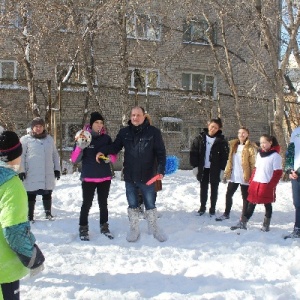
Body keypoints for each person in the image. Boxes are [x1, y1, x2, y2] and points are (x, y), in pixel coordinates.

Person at [97, 106, 167, 242]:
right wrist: (102, 151)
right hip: (130, 176)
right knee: (133, 204)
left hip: (149, 177)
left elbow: (161, 153)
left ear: (144, 116)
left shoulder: (154, 132)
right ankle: (134, 229)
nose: (135, 117)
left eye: (138, 115)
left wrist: (160, 170)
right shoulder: (124, 133)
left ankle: (154, 228)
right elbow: (114, 147)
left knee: (150, 204)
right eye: (133, 115)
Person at [0, 127, 45, 300]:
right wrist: (33, 258)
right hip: (4, 270)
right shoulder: (11, 186)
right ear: (14, 157)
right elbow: (14, 231)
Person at [71, 112, 117, 241]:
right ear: (91, 124)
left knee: (103, 203)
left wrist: (108, 158)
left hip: (104, 177)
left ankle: (104, 226)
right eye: (97, 122)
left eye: (101, 122)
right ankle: (83, 228)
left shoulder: (106, 138)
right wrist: (80, 147)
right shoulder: (83, 136)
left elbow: (113, 155)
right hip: (89, 178)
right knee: (86, 203)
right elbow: (74, 159)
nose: (99, 125)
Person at [230, 134, 282, 231]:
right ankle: (243, 222)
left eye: (265, 143)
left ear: (270, 143)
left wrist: (271, 185)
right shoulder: (259, 154)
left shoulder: (275, 156)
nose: (262, 145)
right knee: (251, 203)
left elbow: (277, 173)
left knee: (267, 204)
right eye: (261, 142)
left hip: (266, 184)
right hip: (256, 183)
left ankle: (266, 225)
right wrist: (251, 181)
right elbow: (256, 169)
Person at [19, 117, 61, 222]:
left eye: (40, 126)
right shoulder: (25, 140)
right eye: (36, 126)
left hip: (47, 173)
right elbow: (21, 157)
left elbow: (55, 155)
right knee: (30, 194)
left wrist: (57, 169)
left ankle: (48, 213)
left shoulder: (49, 139)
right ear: (32, 127)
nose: (38, 128)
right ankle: (30, 215)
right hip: (31, 172)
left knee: (47, 193)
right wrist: (21, 170)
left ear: (43, 127)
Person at [190, 118, 229, 216]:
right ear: (208, 126)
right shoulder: (199, 138)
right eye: (212, 126)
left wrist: (222, 169)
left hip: (215, 169)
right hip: (203, 168)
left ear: (218, 129)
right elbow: (193, 153)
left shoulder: (222, 141)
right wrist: (195, 166)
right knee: (203, 188)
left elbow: (225, 157)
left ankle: (212, 208)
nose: (213, 129)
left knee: (214, 189)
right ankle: (202, 207)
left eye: (216, 128)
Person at [216, 127, 257, 221]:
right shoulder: (233, 145)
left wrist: (252, 177)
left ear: (247, 134)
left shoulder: (251, 147)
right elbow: (230, 161)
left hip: (245, 176)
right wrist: (226, 174)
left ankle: (243, 217)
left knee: (245, 198)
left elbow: (253, 163)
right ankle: (226, 213)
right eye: (239, 133)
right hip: (234, 175)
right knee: (228, 194)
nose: (241, 135)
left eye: (244, 133)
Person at [284, 126, 300, 238]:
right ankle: (298, 229)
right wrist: (289, 169)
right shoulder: (296, 131)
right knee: (298, 203)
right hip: (296, 175)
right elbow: (290, 151)